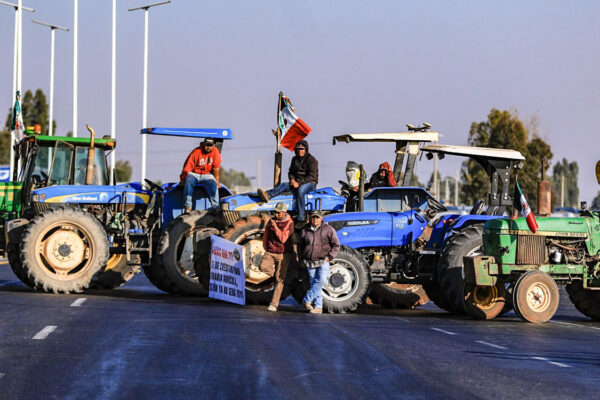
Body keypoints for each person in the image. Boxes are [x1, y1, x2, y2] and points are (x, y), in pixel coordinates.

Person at [257, 140, 318, 223]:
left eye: (302, 149)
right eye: (298, 149)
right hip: (297, 182)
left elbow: (312, 176)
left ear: (306, 149)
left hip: (310, 183)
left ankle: (301, 217)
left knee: (300, 191)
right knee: (284, 185)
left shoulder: (312, 160)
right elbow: (291, 172)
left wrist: (299, 183)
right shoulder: (294, 159)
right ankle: (267, 195)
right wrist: (292, 180)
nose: (300, 151)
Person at [298, 209, 340, 314]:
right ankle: (318, 307)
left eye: (317, 217)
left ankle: (307, 300)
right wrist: (301, 259)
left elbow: (336, 245)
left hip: (323, 260)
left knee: (321, 281)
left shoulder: (329, 229)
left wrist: (330, 257)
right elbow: (300, 246)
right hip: (309, 261)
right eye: (313, 217)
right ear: (310, 219)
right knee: (314, 283)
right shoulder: (305, 230)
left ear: (321, 218)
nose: (315, 219)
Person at [259, 202, 295, 312]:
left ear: (284, 212)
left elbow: (283, 238)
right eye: (275, 212)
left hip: (283, 254)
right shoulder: (271, 221)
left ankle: (274, 304)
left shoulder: (289, 223)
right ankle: (277, 278)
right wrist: (265, 245)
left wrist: (275, 227)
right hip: (271, 251)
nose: (276, 214)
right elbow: (266, 234)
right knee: (262, 267)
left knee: (280, 281)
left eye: (278, 212)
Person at [180, 138, 221, 213]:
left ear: (213, 145)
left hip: (207, 174)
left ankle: (216, 207)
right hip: (194, 173)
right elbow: (187, 167)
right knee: (188, 180)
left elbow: (216, 169)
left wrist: (217, 182)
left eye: (210, 145)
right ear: (203, 144)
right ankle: (188, 207)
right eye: (206, 145)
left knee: (213, 184)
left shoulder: (216, 152)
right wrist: (182, 179)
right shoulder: (196, 152)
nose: (208, 147)